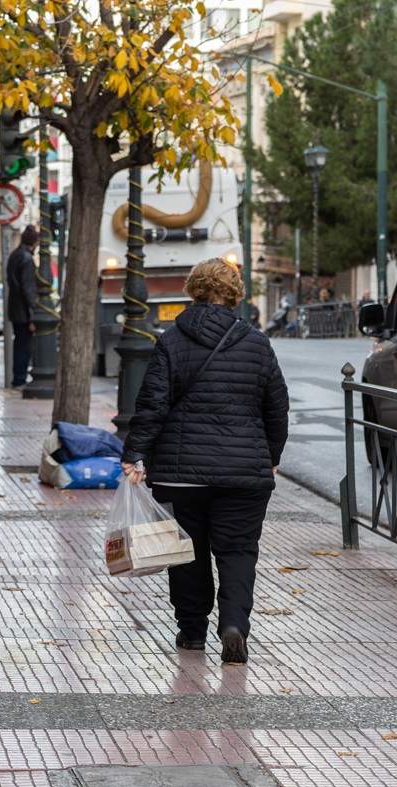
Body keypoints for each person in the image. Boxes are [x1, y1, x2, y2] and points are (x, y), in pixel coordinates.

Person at [121, 257, 289, 665]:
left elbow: (152, 405)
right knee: (237, 551)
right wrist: (271, 456)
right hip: (243, 473)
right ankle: (234, 625)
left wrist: (134, 452)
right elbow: (277, 408)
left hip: (181, 474)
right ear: (235, 293)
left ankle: (192, 630)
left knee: (186, 551)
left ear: (193, 289)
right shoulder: (257, 342)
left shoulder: (172, 340)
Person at [5, 225, 39, 388]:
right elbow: (28, 288)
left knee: (20, 345)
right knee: (23, 347)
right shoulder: (26, 258)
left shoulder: (14, 256)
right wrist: (33, 313)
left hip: (16, 310)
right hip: (24, 312)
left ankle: (18, 378)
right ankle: (19, 379)